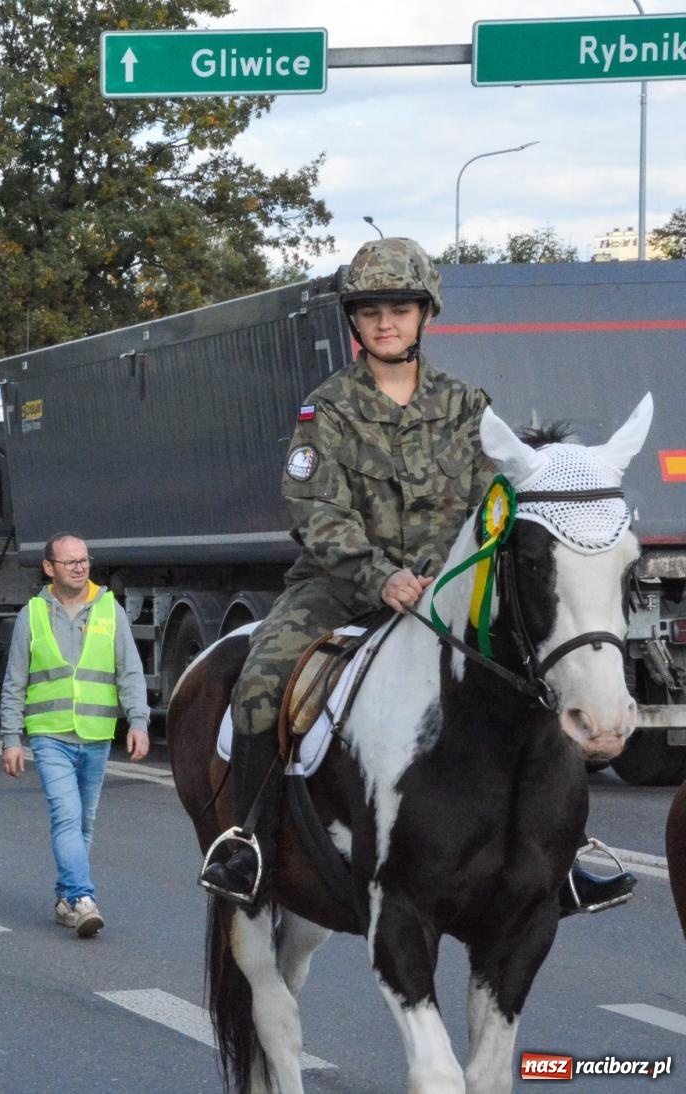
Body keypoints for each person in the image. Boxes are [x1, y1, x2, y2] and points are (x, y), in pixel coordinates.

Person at [197, 236, 635, 917]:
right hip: (338, 585)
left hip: (451, 585)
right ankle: (246, 843)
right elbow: (316, 510)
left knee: (540, 679)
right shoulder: (328, 408)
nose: (384, 322)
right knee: (259, 683)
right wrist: (380, 577)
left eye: (399, 308)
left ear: (425, 313)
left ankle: (566, 853)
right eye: (369, 310)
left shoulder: (468, 407)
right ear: (354, 320)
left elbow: (498, 502)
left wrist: (461, 573)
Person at [0, 533, 151, 938]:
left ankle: (66, 899)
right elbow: (15, 681)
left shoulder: (109, 609)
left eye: (84, 560)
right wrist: (11, 738)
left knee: (84, 822)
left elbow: (129, 671)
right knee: (65, 816)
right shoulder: (31, 615)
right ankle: (83, 898)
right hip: (50, 734)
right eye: (71, 562)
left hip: (97, 733)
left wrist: (138, 721)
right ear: (50, 568)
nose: (80, 568)